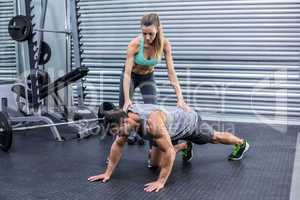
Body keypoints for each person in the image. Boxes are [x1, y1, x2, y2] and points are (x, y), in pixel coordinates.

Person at [88, 104, 250, 192]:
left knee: (214, 138)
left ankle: (241, 143)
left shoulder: (152, 123)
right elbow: (117, 145)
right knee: (155, 164)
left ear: (125, 122)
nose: (119, 135)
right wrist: (107, 173)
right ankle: (185, 145)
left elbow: (169, 151)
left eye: (118, 131)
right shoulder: (125, 117)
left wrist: (161, 181)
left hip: (189, 124)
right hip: (168, 131)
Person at [119, 13, 191, 144]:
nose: (147, 37)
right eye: (144, 33)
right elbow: (127, 74)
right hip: (131, 76)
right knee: (124, 109)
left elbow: (171, 72)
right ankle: (119, 145)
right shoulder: (134, 44)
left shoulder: (165, 45)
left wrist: (180, 98)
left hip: (147, 77)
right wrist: (127, 99)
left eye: (150, 34)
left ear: (158, 29)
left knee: (152, 111)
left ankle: (152, 151)